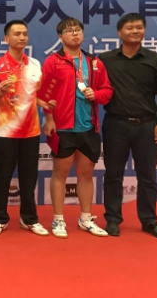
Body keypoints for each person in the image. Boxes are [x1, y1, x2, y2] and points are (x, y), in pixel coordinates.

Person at [41, 18, 113, 238]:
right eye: (69, 31)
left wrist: (96, 94)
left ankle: (85, 218)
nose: (74, 34)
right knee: (60, 174)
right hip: (63, 127)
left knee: (86, 175)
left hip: (89, 127)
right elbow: (46, 93)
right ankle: (58, 219)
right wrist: (49, 119)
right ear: (60, 36)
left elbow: (107, 91)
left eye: (78, 30)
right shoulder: (54, 61)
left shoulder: (94, 62)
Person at [100, 13, 157, 240]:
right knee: (113, 174)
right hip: (115, 125)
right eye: (130, 28)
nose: (135, 31)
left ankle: (149, 221)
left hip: (147, 126)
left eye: (139, 27)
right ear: (119, 32)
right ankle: (112, 219)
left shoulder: (155, 59)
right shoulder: (105, 59)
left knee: (148, 176)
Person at [0, 20, 52, 237]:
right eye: (17, 34)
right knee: (3, 176)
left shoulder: (34, 64)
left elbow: (38, 95)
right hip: (4, 132)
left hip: (31, 131)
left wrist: (46, 106)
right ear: (6, 38)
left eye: (24, 33)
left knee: (29, 177)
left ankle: (29, 218)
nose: (22, 37)